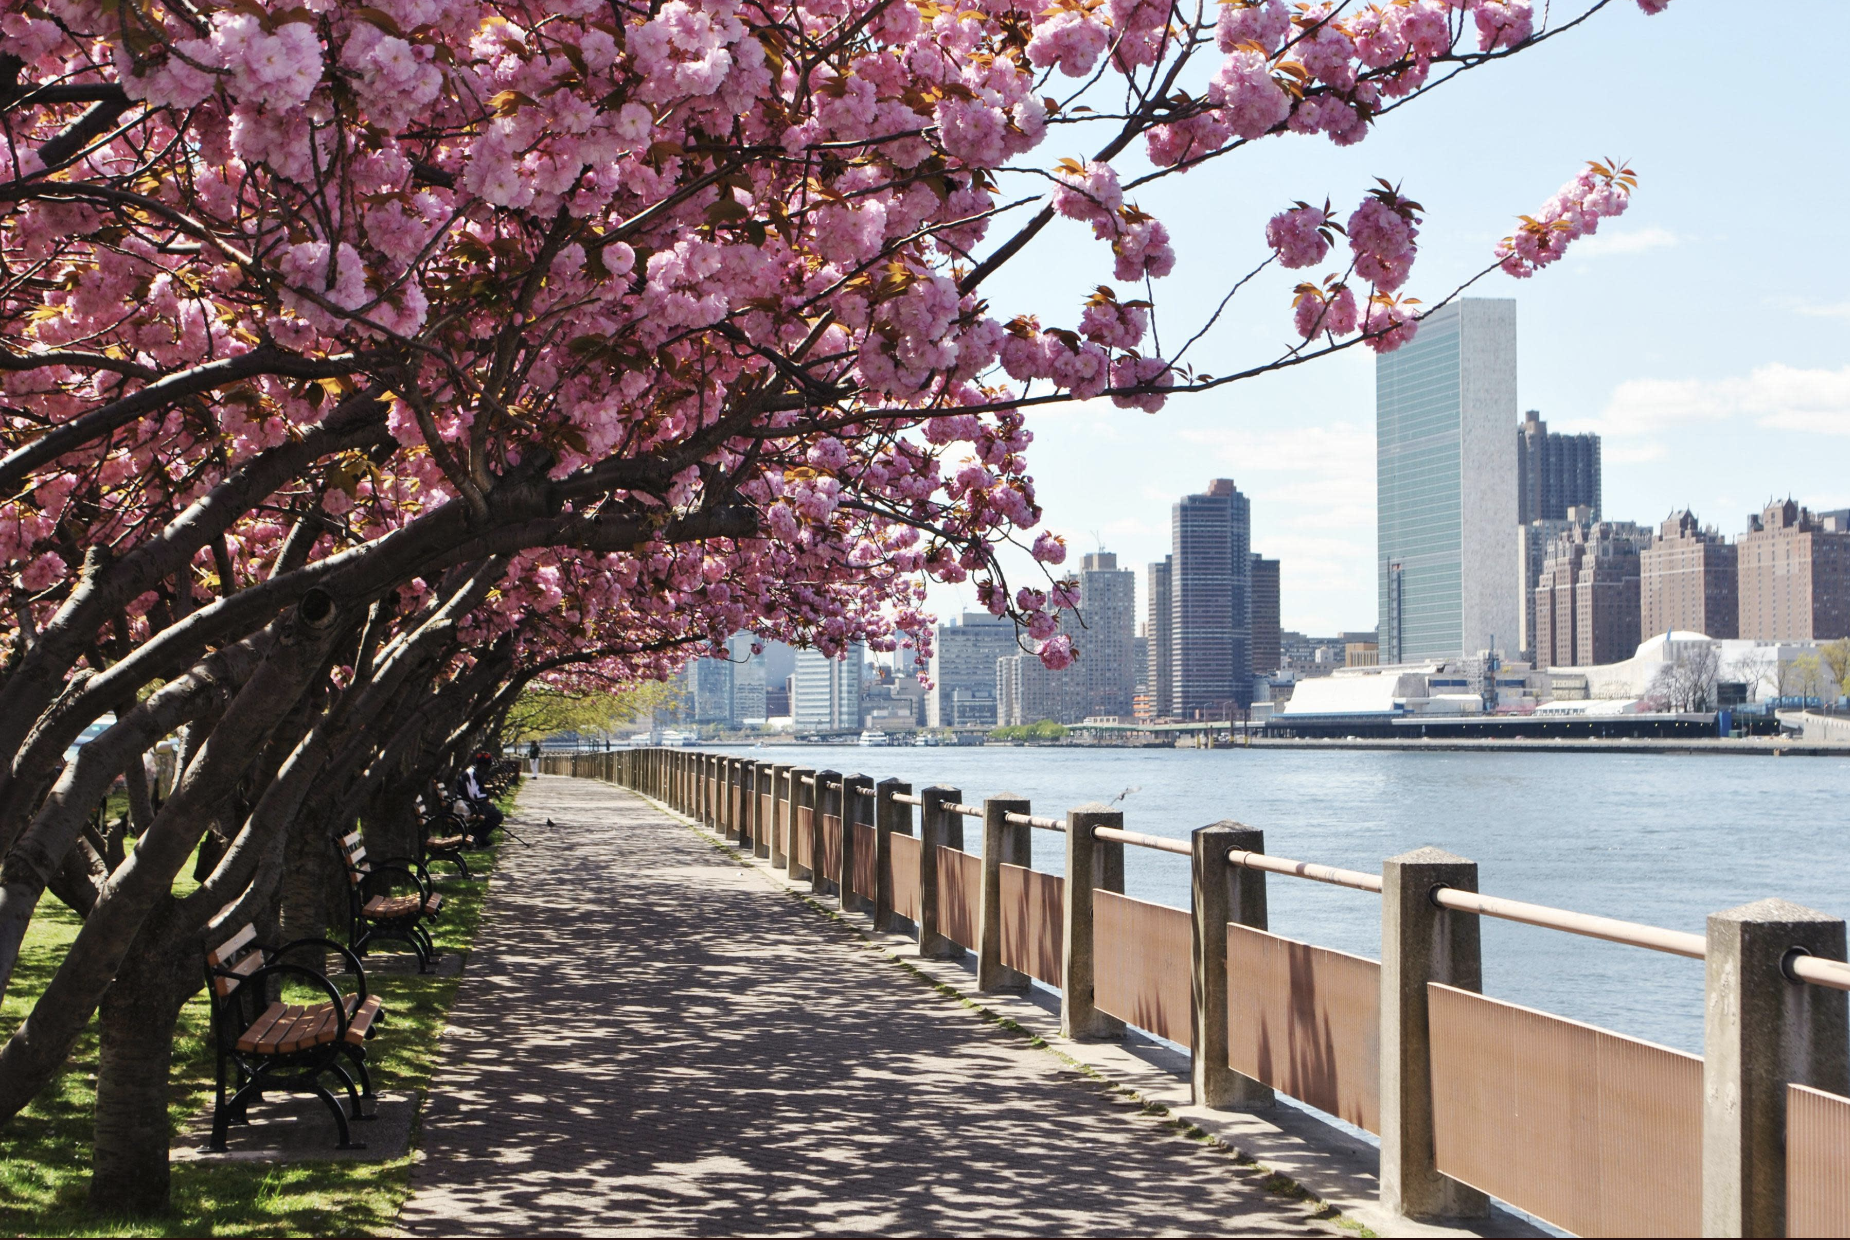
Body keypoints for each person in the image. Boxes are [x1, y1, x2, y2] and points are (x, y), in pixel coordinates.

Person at [459, 752, 503, 846]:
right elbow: (473, 795)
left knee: (493, 810)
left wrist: (486, 799)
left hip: (470, 803)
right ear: (482, 765)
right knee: (497, 816)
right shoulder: (470, 774)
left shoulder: (475, 773)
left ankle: (479, 836)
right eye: (487, 766)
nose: (488, 769)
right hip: (465, 805)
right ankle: (477, 836)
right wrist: (486, 798)